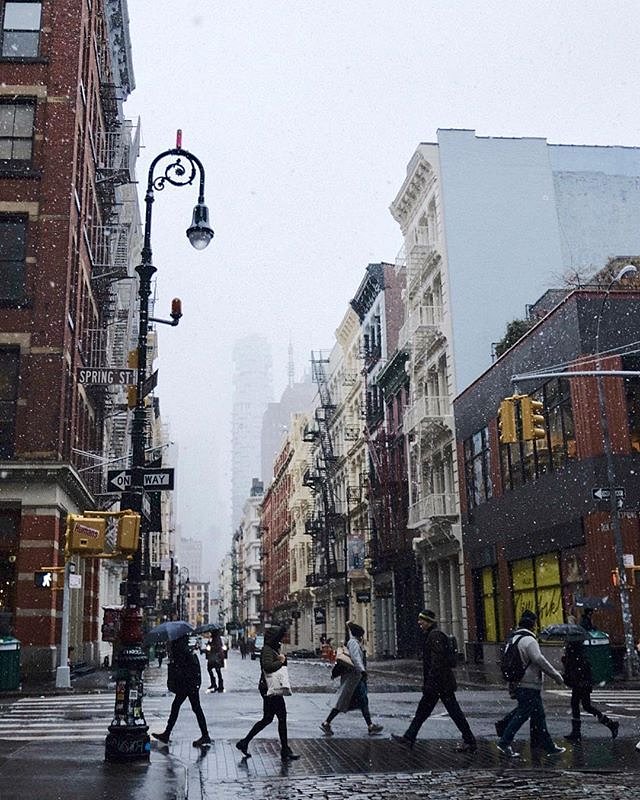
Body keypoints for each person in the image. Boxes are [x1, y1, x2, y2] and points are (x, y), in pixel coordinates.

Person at [391, 610, 476, 753]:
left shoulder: (434, 635)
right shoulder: (432, 635)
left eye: (422, 620)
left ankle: (470, 741)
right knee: (426, 712)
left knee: (449, 712)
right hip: (440, 683)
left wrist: (431, 681)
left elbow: (437, 661)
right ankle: (409, 738)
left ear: (429, 621)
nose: (419, 623)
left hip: (439, 684)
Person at [495, 609, 565, 759]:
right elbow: (539, 660)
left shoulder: (512, 639)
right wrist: (556, 675)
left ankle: (549, 746)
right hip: (529, 683)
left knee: (539, 716)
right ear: (533, 625)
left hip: (518, 682)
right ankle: (504, 741)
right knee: (523, 714)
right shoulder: (529, 640)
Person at [235, 625, 300, 761]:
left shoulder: (272, 649)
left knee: (268, 718)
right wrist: (281, 662)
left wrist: (282, 660)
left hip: (270, 689)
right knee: (280, 718)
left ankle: (245, 742)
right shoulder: (267, 650)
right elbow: (268, 667)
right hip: (270, 689)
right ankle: (284, 750)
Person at [320, 620, 384, 737]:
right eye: (361, 634)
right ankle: (327, 722)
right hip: (355, 678)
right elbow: (356, 658)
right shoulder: (353, 643)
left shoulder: (354, 642)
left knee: (356, 701)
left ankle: (369, 725)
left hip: (355, 677)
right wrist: (362, 671)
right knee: (351, 700)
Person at [152, 635, 212, 748]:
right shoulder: (183, 649)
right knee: (187, 707)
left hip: (187, 685)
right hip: (188, 685)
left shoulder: (181, 650)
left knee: (187, 708)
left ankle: (204, 735)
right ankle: (168, 733)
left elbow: (181, 668)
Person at [562, 639, 618, 742]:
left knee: (581, 705)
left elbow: (575, 673)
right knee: (583, 706)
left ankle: (577, 731)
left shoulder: (576, 658)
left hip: (581, 685)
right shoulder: (577, 657)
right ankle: (609, 724)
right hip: (581, 685)